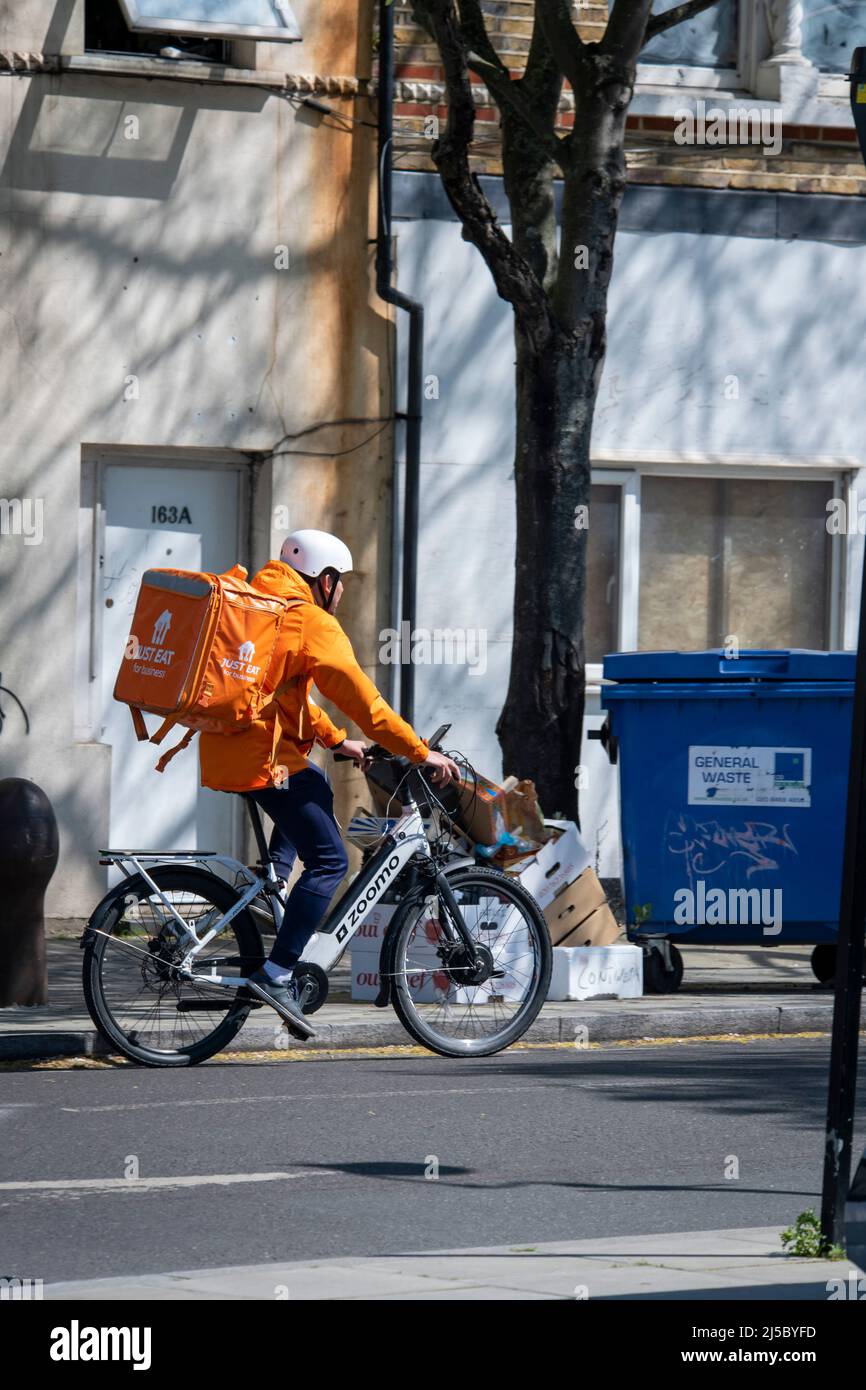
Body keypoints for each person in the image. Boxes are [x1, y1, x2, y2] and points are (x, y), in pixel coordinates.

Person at [198, 529, 460, 1038]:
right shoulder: (309, 620)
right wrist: (420, 751)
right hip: (262, 757)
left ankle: (273, 880)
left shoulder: (264, 603)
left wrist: (340, 741)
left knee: (314, 785)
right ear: (325, 579)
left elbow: (284, 696)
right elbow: (368, 702)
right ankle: (276, 975)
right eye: (342, 585)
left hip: (233, 749)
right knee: (331, 860)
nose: (342, 595)